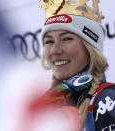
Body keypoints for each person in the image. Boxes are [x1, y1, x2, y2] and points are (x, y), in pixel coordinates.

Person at [38, 0, 115, 130]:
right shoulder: (41, 106)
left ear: (90, 47)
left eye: (67, 39)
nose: (55, 50)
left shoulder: (108, 99)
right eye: (49, 41)